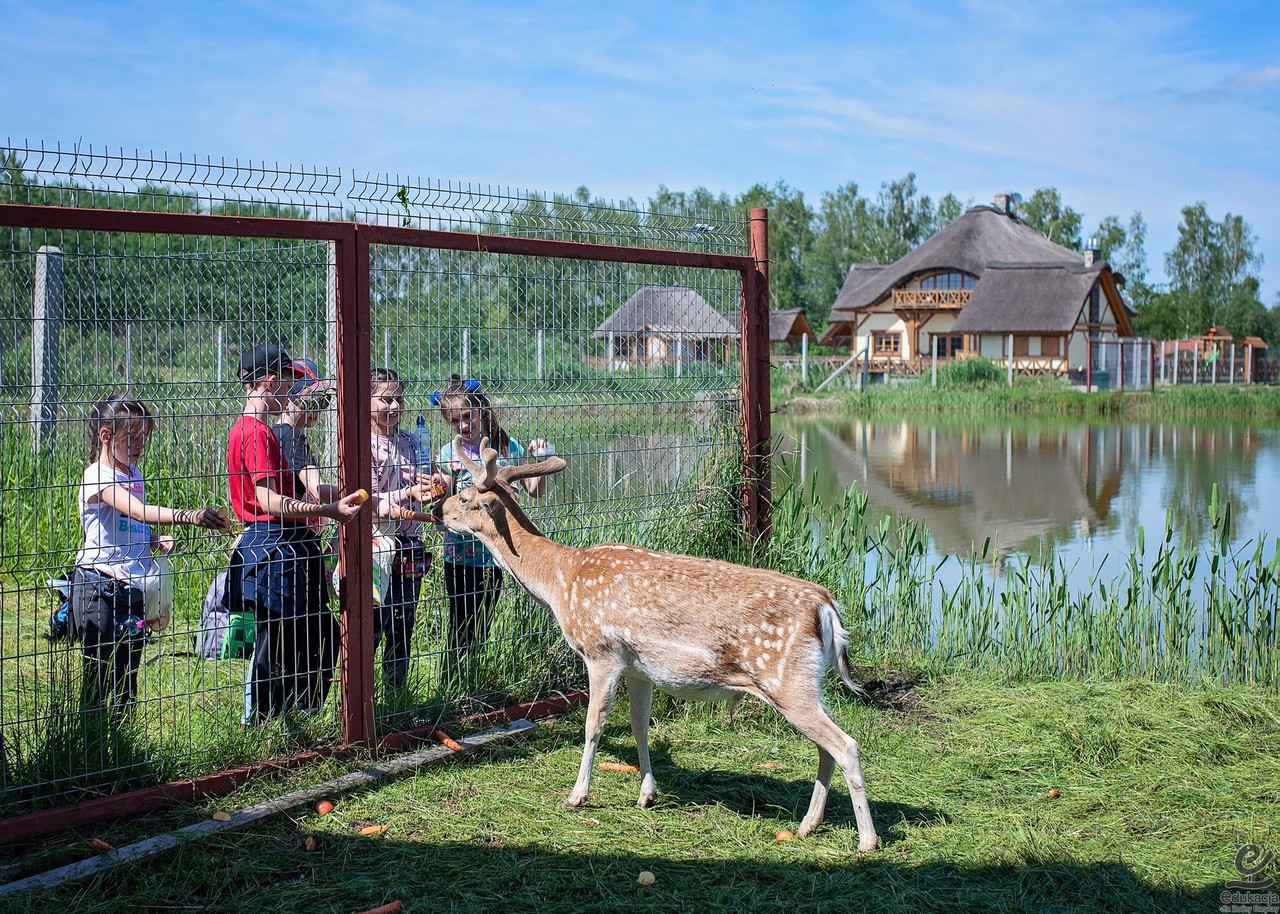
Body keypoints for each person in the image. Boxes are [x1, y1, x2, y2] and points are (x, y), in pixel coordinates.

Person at [226, 344, 366, 723]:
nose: (292, 395)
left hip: (282, 545)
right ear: (271, 382)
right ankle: (266, 723)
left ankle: (294, 717)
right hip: (273, 545)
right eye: (289, 386)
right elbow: (268, 500)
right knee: (277, 645)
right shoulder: (256, 433)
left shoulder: (256, 430)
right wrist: (326, 510)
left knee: (305, 634)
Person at [72, 394, 229, 709]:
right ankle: (92, 733)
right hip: (98, 585)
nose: (140, 445)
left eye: (144, 436)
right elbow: (137, 511)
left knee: (127, 678)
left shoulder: (133, 474)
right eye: (131, 437)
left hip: (133, 587)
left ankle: (124, 734)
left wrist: (152, 539)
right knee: (98, 675)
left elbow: (126, 524)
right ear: (105, 436)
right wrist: (190, 516)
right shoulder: (97, 476)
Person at [430, 374, 549, 663]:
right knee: (460, 625)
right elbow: (443, 498)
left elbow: (535, 491)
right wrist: (436, 485)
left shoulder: (508, 448)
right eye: (454, 421)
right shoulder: (449, 453)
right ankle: (455, 675)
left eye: (467, 416)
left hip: (498, 554)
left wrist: (542, 458)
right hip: (460, 555)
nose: (463, 425)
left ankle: (475, 672)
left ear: (481, 409)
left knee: (483, 623)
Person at [367, 368, 434, 690]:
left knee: (402, 624)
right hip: (376, 545)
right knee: (372, 625)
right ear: (365, 401)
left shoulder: (411, 441)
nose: (394, 407)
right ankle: (361, 695)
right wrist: (408, 493)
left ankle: (396, 695)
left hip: (408, 545)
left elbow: (428, 476)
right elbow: (367, 499)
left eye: (399, 399)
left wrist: (437, 482)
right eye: (386, 400)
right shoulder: (361, 444)